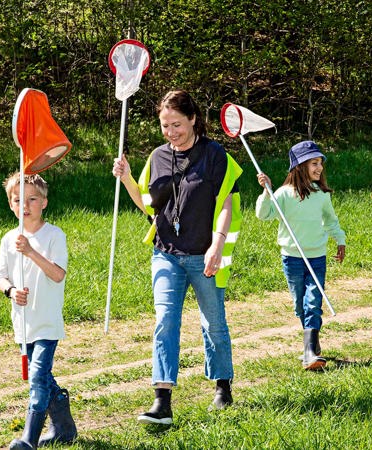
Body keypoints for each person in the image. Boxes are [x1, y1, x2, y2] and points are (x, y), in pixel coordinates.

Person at [111, 89, 243, 425]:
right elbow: (147, 204)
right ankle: (162, 400)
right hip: (166, 253)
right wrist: (127, 178)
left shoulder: (215, 155)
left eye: (177, 124)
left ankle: (222, 387)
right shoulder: (156, 157)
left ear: (194, 119)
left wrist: (218, 244)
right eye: (165, 125)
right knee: (165, 321)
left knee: (214, 323)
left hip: (204, 254)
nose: (171, 132)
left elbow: (226, 202)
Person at [0, 172, 77, 450]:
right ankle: (65, 428)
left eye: (32, 199)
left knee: (38, 376)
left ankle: (28, 439)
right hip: (22, 323)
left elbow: (57, 274)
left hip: (46, 322)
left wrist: (30, 251)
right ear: (11, 205)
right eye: (19, 200)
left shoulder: (54, 235)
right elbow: (1, 277)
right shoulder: (8, 239)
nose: (25, 205)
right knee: (40, 377)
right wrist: (10, 290)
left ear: (44, 202)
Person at [254, 141, 346, 370]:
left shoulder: (321, 195)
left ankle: (308, 352)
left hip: (317, 257)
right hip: (292, 258)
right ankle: (312, 343)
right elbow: (263, 215)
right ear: (299, 166)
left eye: (320, 164)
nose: (319, 168)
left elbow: (331, 220)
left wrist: (340, 239)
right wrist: (266, 192)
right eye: (314, 163)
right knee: (300, 305)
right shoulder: (284, 194)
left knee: (313, 302)